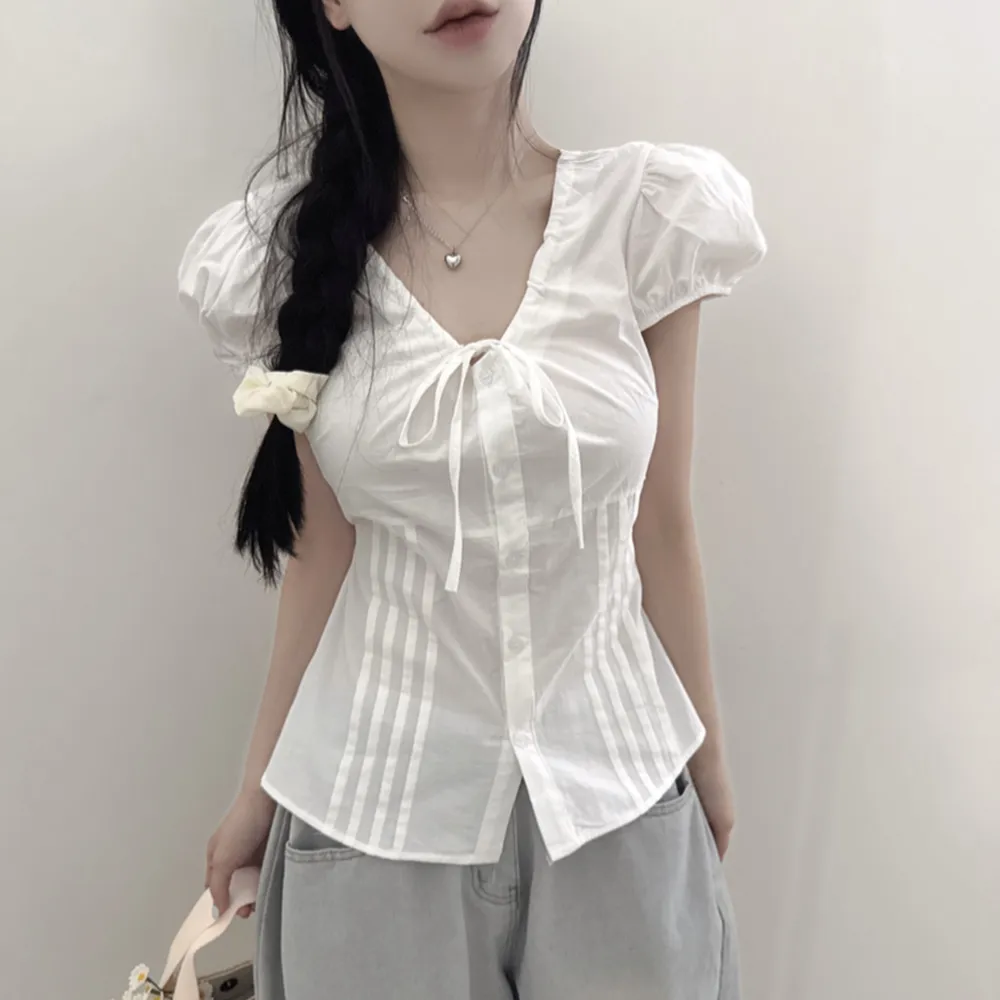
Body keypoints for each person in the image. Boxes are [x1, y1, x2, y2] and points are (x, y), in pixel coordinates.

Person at [179, 0, 766, 997]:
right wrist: (255, 790)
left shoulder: (645, 212)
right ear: (332, 6)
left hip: (619, 800)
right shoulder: (288, 255)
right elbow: (324, 551)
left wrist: (704, 763)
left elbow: (662, 521)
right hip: (369, 824)